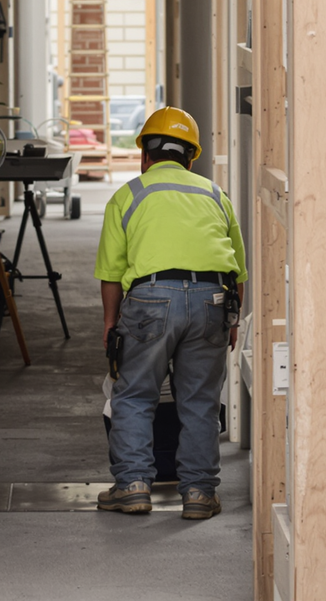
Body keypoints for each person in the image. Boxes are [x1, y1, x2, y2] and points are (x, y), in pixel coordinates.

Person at [93, 106, 247, 521]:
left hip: (150, 299)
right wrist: (231, 320)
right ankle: (199, 493)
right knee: (200, 401)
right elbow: (238, 268)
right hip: (212, 298)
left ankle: (133, 486)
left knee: (135, 395)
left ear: (145, 154)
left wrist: (111, 324)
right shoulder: (215, 194)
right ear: (191, 158)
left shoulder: (128, 195)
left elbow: (110, 273)